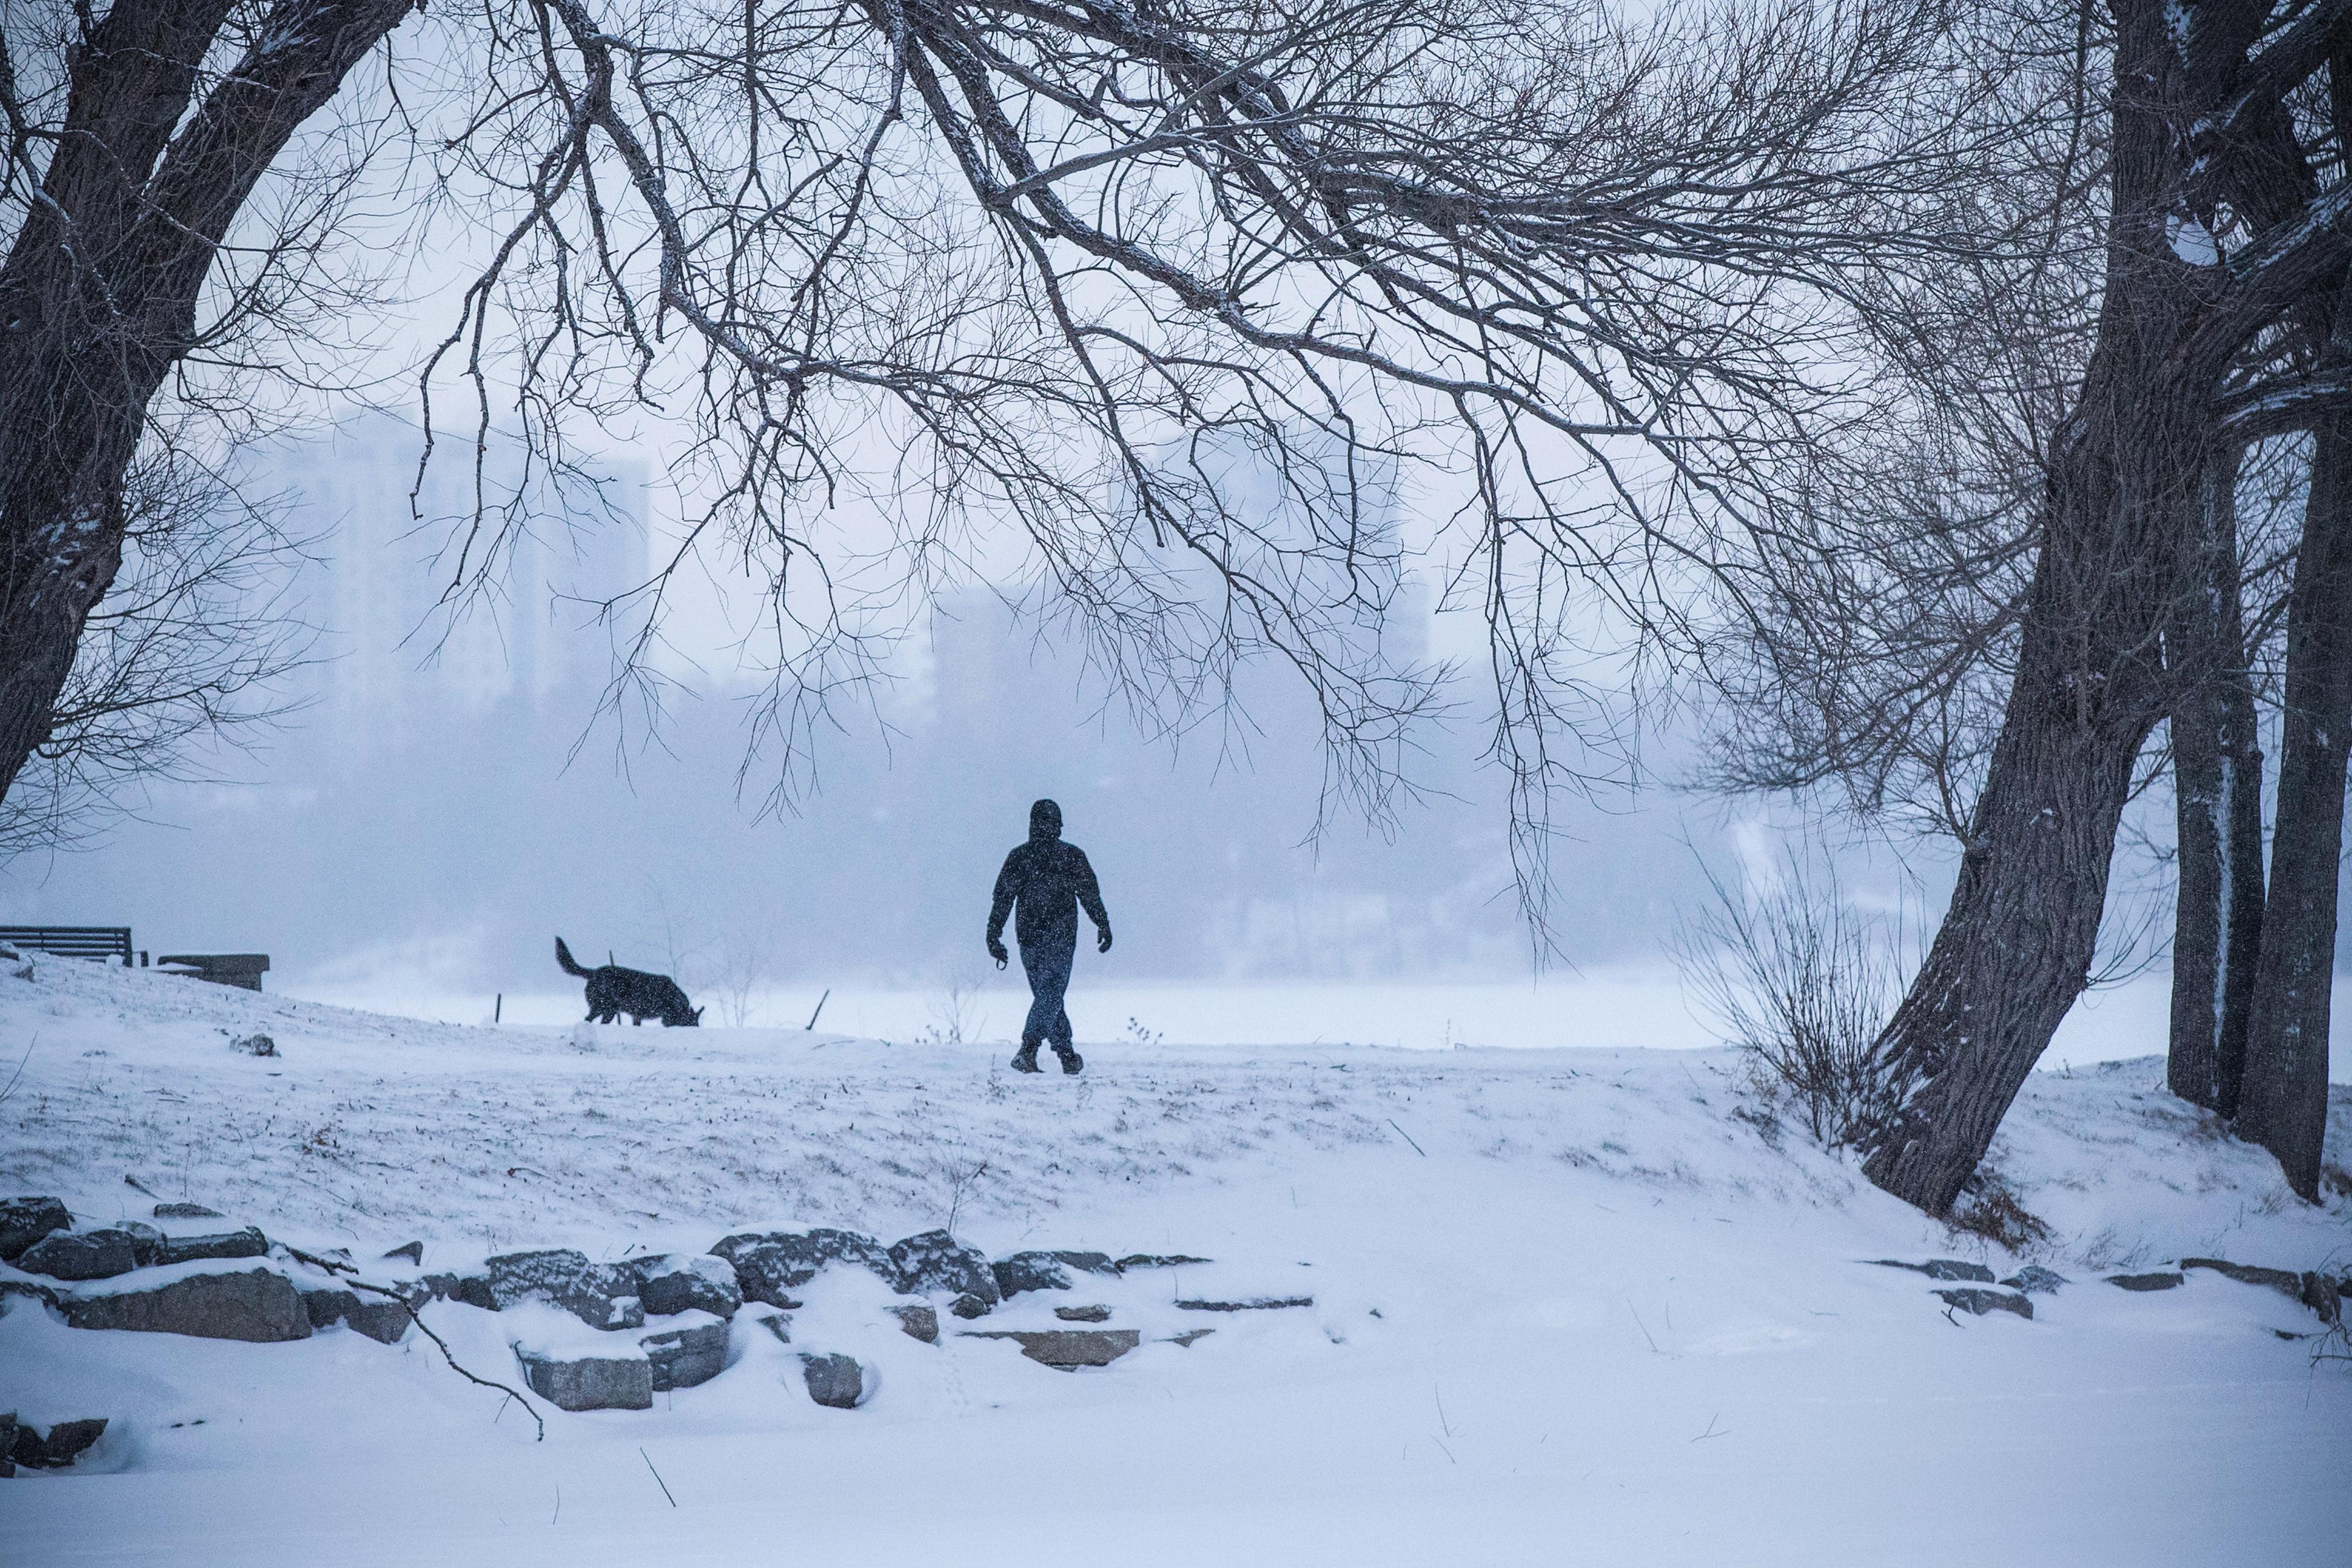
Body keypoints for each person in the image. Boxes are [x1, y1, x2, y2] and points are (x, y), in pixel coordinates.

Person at [986, 798, 1112, 1074]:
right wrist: (1102, 923)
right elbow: (1089, 895)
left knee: (1049, 995)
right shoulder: (1070, 857)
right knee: (1051, 994)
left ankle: (1066, 1055)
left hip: (1033, 937)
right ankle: (1029, 1051)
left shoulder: (1021, 857)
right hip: (1059, 937)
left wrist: (994, 934)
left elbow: (1003, 899)